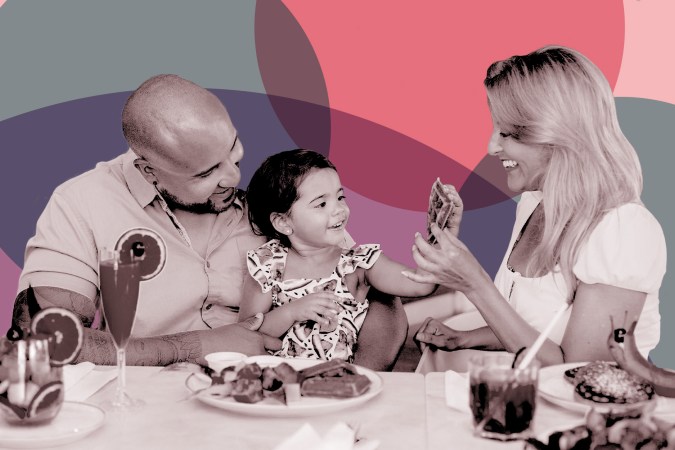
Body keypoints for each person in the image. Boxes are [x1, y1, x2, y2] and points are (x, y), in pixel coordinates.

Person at [10, 74, 408, 369]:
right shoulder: (83, 204)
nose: (233, 179)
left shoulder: (276, 196)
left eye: (233, 151)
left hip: (278, 402)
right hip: (147, 412)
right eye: (204, 175)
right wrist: (201, 344)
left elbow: (373, 295)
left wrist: (352, 385)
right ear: (149, 172)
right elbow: (43, 340)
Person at [406, 46, 667, 370]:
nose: (491, 147)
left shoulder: (622, 230)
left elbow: (576, 374)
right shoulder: (534, 203)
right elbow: (541, 328)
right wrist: (467, 337)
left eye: (508, 133)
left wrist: (474, 283)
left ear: (559, 137)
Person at [240, 149, 437, 361]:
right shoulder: (267, 264)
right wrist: (291, 313)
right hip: (280, 384)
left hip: (343, 385)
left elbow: (422, 284)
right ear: (283, 222)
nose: (339, 209)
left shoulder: (359, 264)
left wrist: (440, 234)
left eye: (340, 197)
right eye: (321, 204)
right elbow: (243, 335)